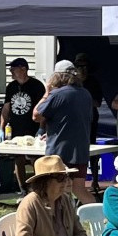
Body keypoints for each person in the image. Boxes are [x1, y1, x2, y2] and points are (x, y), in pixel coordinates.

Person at [33, 61, 94, 191]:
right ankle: (98, 211)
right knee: (79, 190)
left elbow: (36, 116)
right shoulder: (85, 94)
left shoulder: (57, 94)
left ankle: (57, 211)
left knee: (54, 189)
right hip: (80, 150)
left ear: (57, 76)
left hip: (59, 152)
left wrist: (47, 92)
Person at [0, 57, 45, 139]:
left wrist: (41, 128)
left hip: (32, 129)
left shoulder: (37, 86)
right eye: (10, 69)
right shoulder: (11, 87)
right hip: (14, 130)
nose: (11, 71)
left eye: (13, 69)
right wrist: (1, 129)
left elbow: (42, 109)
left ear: (23, 69)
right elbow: (6, 109)